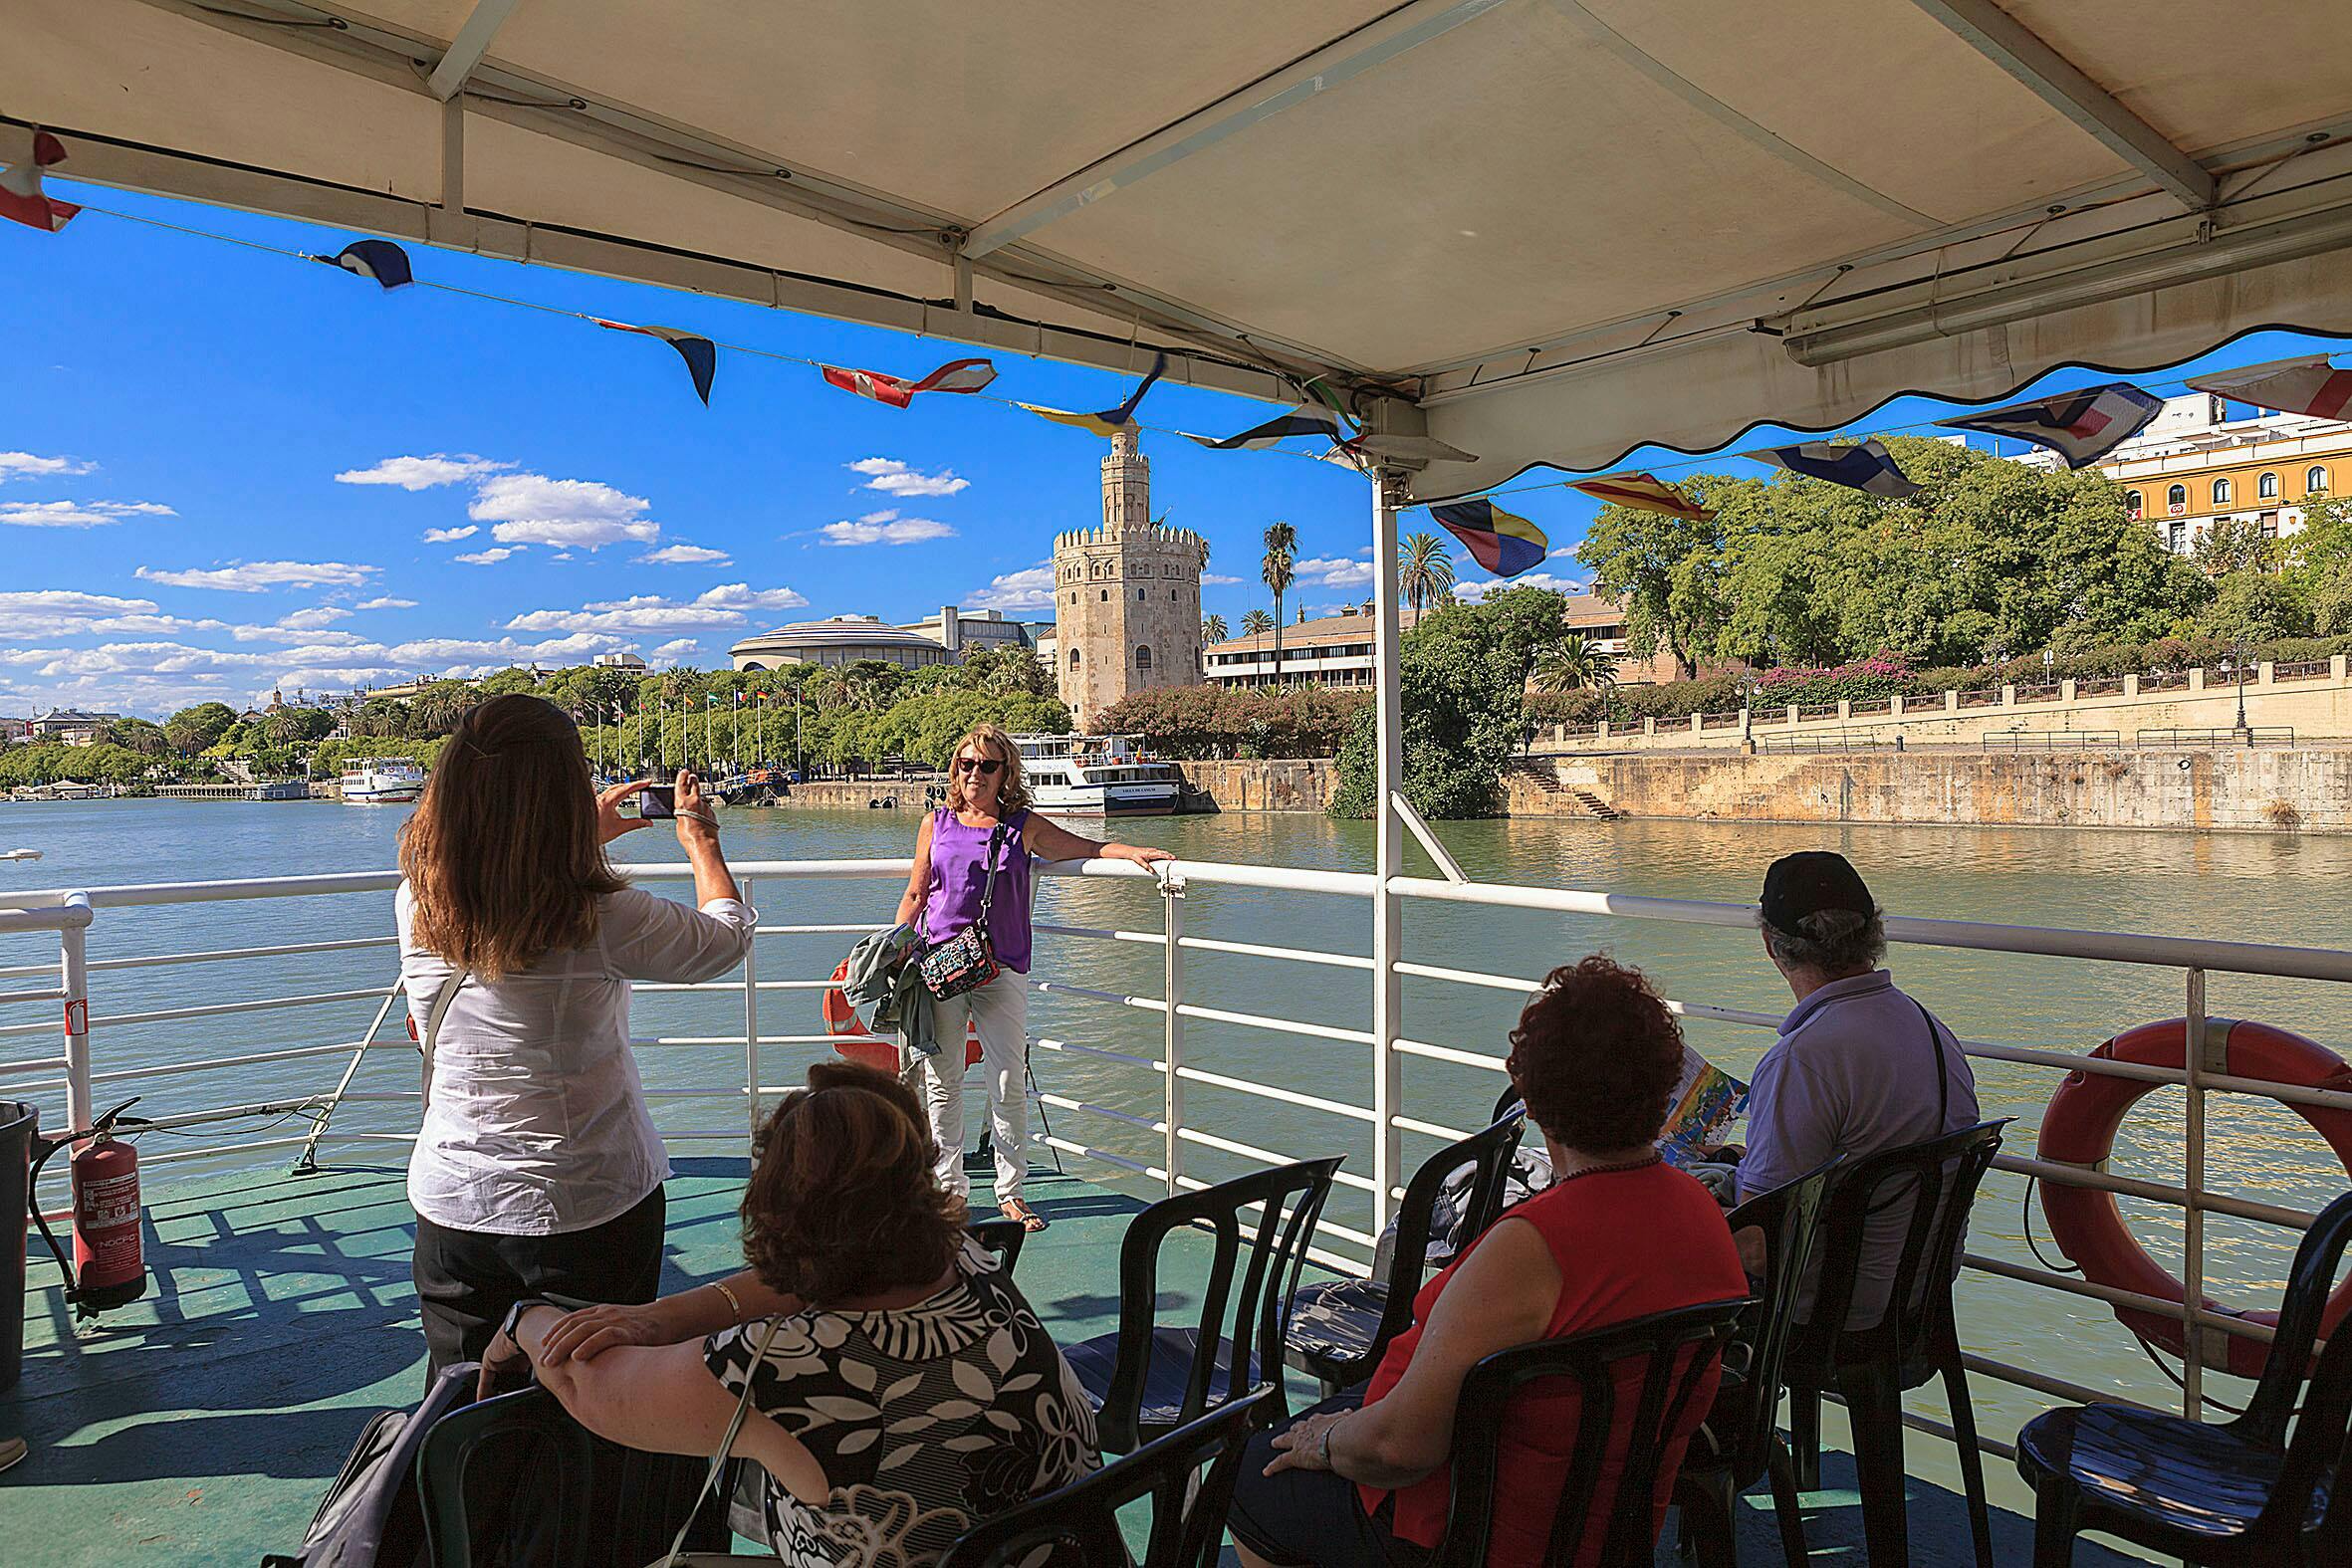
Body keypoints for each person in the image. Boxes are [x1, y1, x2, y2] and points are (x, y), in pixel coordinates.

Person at [1226, 956, 1749, 1568]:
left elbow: (1402, 1448)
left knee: (1249, 1479)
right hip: (1609, 1527)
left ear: (1534, 1101)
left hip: (1476, 1536)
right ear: (1663, 1090)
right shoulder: (1704, 1217)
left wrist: (1328, 1442)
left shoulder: (1532, 1247)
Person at [486, 1061, 1100, 1567]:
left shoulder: (775, 1368)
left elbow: (585, 1384)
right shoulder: (966, 1258)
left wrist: (524, 1320)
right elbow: (824, 1273)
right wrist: (659, 1319)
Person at [397, 694, 754, 1373]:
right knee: (596, 1406)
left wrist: (572, 836)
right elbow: (723, 940)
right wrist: (701, 842)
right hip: (587, 1203)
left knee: (463, 1406)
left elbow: (502, 881)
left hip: (456, 1202)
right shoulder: (602, 914)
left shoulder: (418, 897)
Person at [894, 723, 1173, 1231]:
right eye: (965, 763)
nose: (974, 773)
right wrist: (891, 946)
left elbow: (1082, 847)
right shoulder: (936, 823)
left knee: (1006, 1079)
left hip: (1001, 966)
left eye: (987, 765)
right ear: (954, 768)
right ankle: (948, 1190)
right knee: (944, 1082)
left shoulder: (1022, 825)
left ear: (1006, 773)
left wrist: (1130, 852)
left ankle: (1010, 1191)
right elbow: (918, 892)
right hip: (938, 963)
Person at [1736, 850, 1981, 1327]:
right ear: (1874, 936)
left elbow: (1756, 1252)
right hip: (1918, 1300)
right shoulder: (1929, 1028)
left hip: (1826, 1317)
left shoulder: (1803, 1059)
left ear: (1770, 944)